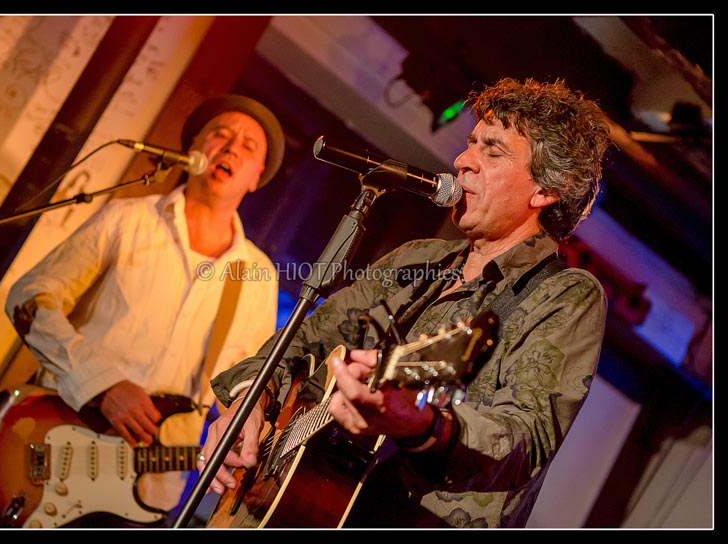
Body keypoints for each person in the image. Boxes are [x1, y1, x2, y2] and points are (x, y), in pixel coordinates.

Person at [196, 77, 613, 528]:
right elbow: (301, 340)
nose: (462, 161)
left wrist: (422, 423)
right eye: (471, 143)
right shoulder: (415, 260)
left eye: (492, 151)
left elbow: (522, 440)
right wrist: (249, 406)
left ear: (547, 188)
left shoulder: (564, 295)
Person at [4, 94, 285, 520]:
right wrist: (101, 385)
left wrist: (251, 449)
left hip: (150, 492)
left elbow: (245, 384)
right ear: (193, 146)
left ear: (255, 177)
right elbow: (29, 297)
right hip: (51, 447)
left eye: (248, 146)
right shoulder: (126, 220)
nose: (231, 149)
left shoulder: (258, 275)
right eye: (221, 135)